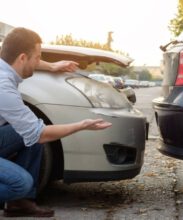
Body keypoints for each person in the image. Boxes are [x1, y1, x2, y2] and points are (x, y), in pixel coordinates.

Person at [0, 27, 112, 217]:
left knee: (30, 133)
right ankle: (20, 193)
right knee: (21, 182)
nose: (38, 62)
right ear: (21, 58)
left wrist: (52, 66)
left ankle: (19, 204)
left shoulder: (5, 65)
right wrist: (82, 125)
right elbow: (41, 134)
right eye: (37, 57)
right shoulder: (3, 87)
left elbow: (34, 134)